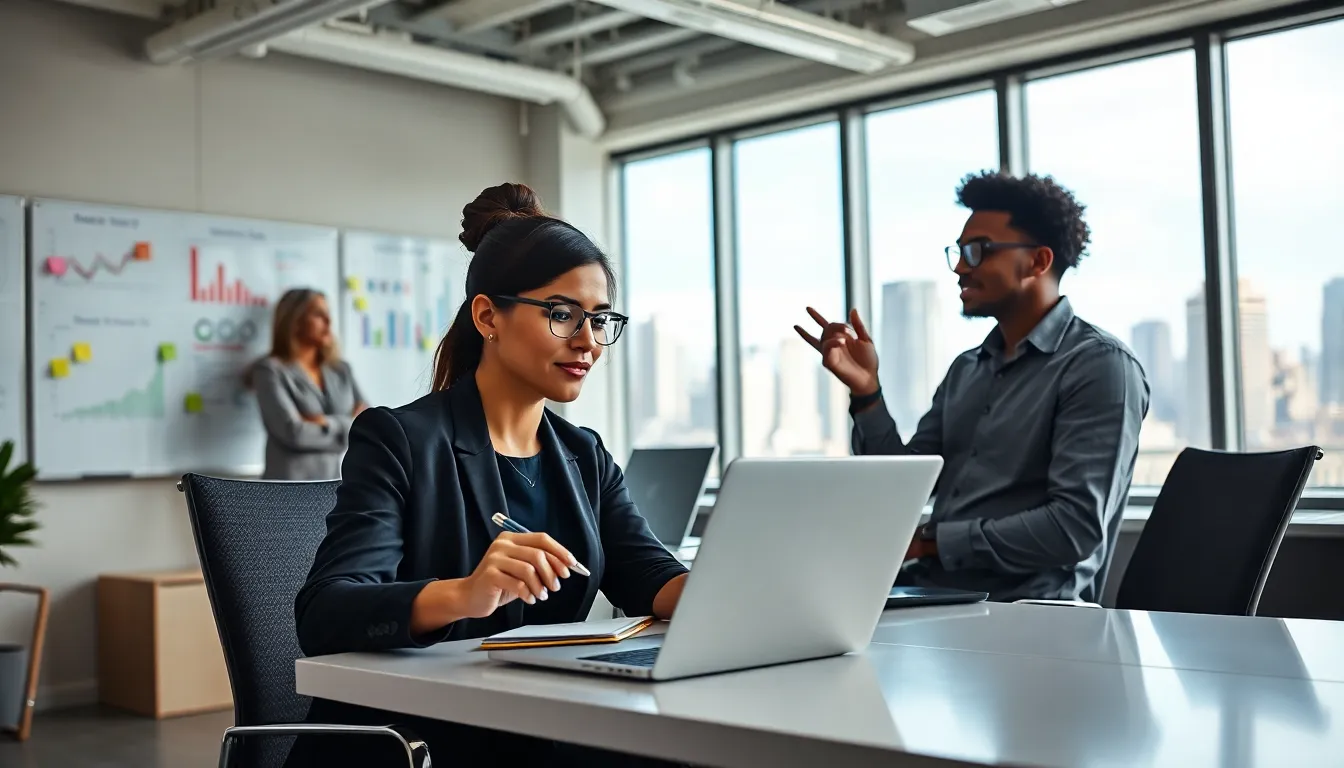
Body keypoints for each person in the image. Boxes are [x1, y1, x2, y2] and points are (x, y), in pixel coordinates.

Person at [287, 183, 691, 768]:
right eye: (561, 314)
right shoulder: (400, 440)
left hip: (537, 722)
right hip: (418, 741)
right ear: (487, 316)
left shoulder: (584, 454)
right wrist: (465, 594)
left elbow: (647, 574)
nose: (588, 341)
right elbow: (325, 612)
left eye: (600, 319)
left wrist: (742, 593)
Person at [797, 170, 1149, 603]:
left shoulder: (1099, 366)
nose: (961, 267)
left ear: (1038, 262)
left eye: (978, 251)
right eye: (960, 252)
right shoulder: (967, 369)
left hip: (1030, 614)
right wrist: (867, 391)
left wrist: (930, 542)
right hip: (932, 595)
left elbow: (1072, 529)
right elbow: (899, 488)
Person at [248, 288, 368, 480]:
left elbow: (369, 426)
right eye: (318, 314)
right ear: (294, 321)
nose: (328, 321)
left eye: (328, 313)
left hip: (336, 486)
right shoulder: (269, 370)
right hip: (287, 490)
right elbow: (294, 433)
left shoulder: (341, 369)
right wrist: (348, 426)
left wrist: (324, 423)